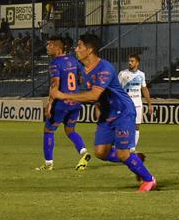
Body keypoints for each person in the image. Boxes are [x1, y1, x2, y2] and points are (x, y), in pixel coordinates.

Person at [49, 33, 157, 191]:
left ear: (89, 50)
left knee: (122, 154)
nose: (76, 49)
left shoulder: (105, 68)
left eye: (79, 46)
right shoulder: (84, 68)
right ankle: (134, 159)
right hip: (107, 114)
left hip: (123, 112)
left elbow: (94, 95)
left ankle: (149, 180)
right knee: (101, 152)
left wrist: (62, 95)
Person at [36, 35, 90, 171]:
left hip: (62, 103)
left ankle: (48, 164)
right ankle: (84, 152)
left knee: (49, 130)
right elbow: (82, 77)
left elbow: (55, 84)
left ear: (58, 48)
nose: (47, 47)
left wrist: (49, 104)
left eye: (50, 45)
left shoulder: (55, 64)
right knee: (70, 130)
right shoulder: (73, 60)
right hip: (75, 101)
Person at [118, 54, 153, 149]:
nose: (130, 63)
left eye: (132, 61)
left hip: (137, 104)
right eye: (129, 61)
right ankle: (121, 144)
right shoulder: (122, 74)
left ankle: (132, 148)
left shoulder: (141, 75)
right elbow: (117, 89)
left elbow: (144, 89)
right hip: (125, 104)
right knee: (123, 125)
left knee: (136, 126)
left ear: (137, 63)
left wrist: (149, 104)